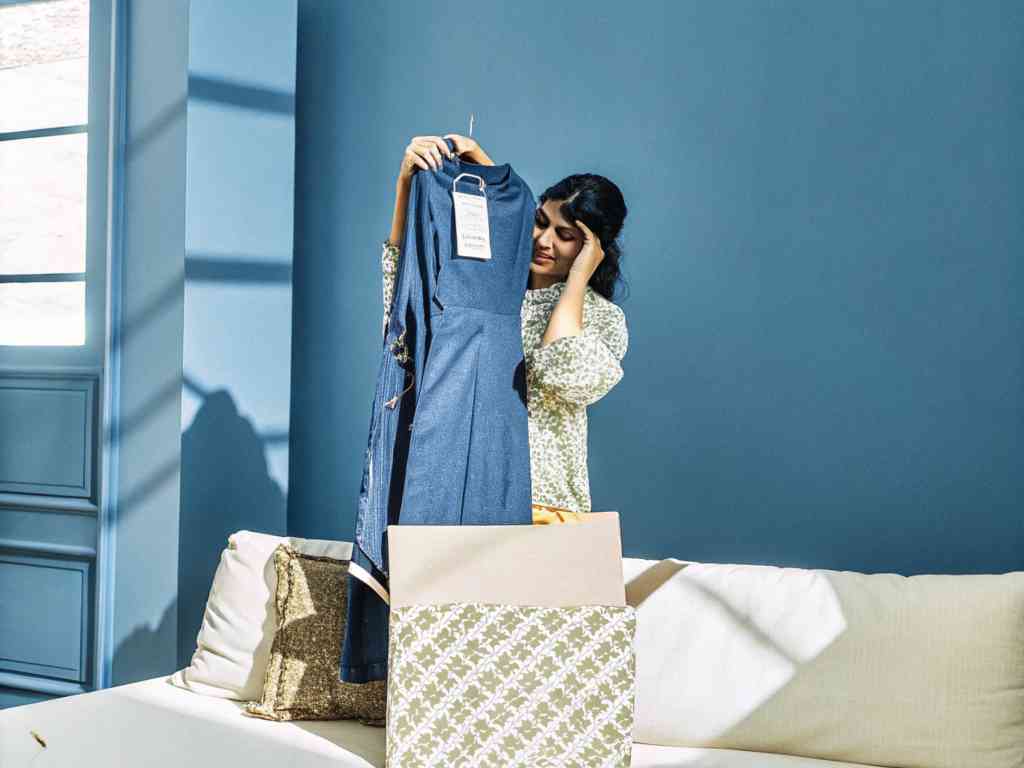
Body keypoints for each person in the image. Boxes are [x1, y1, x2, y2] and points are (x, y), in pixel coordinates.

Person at [379, 134, 629, 524]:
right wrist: (407, 184)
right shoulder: (489, 295)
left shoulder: (600, 320)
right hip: (465, 493)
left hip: (548, 510)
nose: (543, 241)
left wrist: (580, 277)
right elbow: (403, 304)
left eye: (565, 236)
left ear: (592, 248)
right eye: (539, 222)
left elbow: (558, 369)